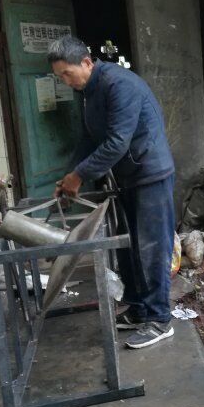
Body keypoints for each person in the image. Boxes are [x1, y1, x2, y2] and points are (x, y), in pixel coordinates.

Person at [49, 35, 177, 350]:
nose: (65, 81)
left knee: (150, 248)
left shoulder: (120, 85)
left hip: (150, 173)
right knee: (128, 247)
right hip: (129, 176)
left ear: (87, 62)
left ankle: (159, 319)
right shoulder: (90, 92)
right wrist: (70, 173)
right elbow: (89, 138)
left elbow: (117, 141)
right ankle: (138, 309)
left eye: (67, 73)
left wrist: (79, 177)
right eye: (59, 77)